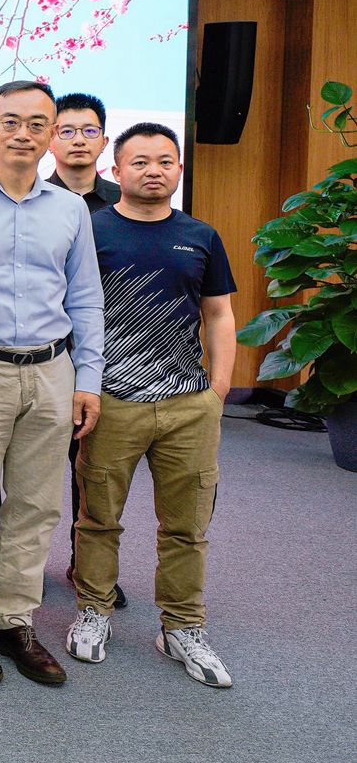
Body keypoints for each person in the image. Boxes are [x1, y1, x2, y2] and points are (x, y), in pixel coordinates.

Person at [64, 123, 237, 688]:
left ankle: (183, 626)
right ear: (116, 171)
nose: (153, 171)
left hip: (188, 403)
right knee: (98, 517)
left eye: (165, 161)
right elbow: (71, 309)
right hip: (112, 399)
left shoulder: (200, 235)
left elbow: (218, 314)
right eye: (139, 162)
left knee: (187, 524)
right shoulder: (91, 230)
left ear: (179, 170)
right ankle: (94, 611)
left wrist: (218, 391)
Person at [0, 80, 103, 688]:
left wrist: (87, 378)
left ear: (52, 134)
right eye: (10, 121)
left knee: (37, 502)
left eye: (38, 124)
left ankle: (15, 618)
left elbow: (85, 298)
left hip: (52, 370)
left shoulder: (69, 209)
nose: (23, 134)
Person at [47, 91, 127, 610]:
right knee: (24, 472)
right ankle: (14, 567)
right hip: (43, 353)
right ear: (51, 138)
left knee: (93, 469)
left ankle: (86, 565)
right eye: (67, 130)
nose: (78, 140)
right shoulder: (34, 197)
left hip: (104, 357)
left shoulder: (126, 200)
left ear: (104, 139)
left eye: (89, 130)